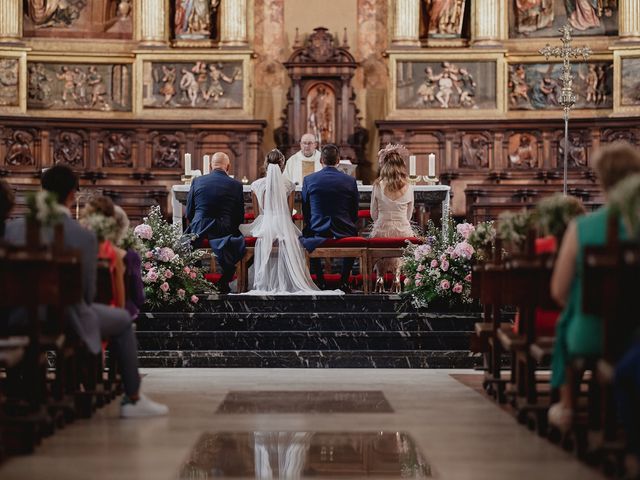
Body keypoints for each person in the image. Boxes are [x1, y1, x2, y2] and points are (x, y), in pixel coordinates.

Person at [3, 165, 168, 418]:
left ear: (42, 191)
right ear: (72, 195)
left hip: (16, 318)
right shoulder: (83, 237)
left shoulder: (13, 229)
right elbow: (88, 294)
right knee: (123, 321)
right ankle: (133, 398)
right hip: (65, 318)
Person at [548, 142, 640, 430]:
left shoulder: (583, 228)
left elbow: (559, 292)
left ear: (601, 180)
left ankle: (568, 407)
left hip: (592, 332)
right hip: (636, 333)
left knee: (568, 321)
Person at [240, 150, 338, 295]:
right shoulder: (289, 185)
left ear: (266, 164)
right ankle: (287, 279)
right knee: (295, 239)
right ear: (282, 165)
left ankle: (257, 280)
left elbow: (257, 215)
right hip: (283, 225)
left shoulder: (256, 185)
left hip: (263, 226)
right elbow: (288, 213)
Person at [300, 144, 359, 291]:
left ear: (321, 160)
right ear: (338, 160)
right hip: (344, 229)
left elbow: (306, 209)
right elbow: (354, 210)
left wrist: (312, 223)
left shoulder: (309, 179)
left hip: (317, 229)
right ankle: (344, 281)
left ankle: (320, 281)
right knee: (354, 233)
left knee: (307, 234)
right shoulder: (349, 181)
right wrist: (348, 223)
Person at [185, 152, 245, 294]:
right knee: (239, 243)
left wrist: (197, 222)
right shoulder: (236, 185)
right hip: (224, 228)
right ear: (228, 166)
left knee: (185, 244)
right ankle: (224, 282)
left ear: (211, 165)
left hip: (199, 228)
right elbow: (239, 215)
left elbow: (189, 211)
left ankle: (197, 280)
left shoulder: (197, 181)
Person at [369, 148, 415, 290]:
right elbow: (409, 214)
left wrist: (382, 221)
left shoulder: (378, 185)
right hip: (403, 230)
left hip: (382, 228)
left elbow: (373, 213)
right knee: (405, 239)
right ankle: (396, 276)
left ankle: (380, 278)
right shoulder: (409, 186)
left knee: (378, 239)